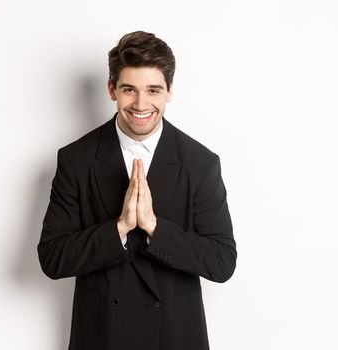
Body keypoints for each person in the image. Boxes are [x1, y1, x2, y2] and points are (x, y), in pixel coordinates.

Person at [38, 30, 237, 350]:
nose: (141, 104)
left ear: (169, 91)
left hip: (174, 336)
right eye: (129, 89)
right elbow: (52, 258)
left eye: (153, 90)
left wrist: (154, 227)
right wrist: (119, 228)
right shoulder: (76, 159)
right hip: (102, 335)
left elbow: (222, 262)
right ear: (112, 89)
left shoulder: (200, 163)